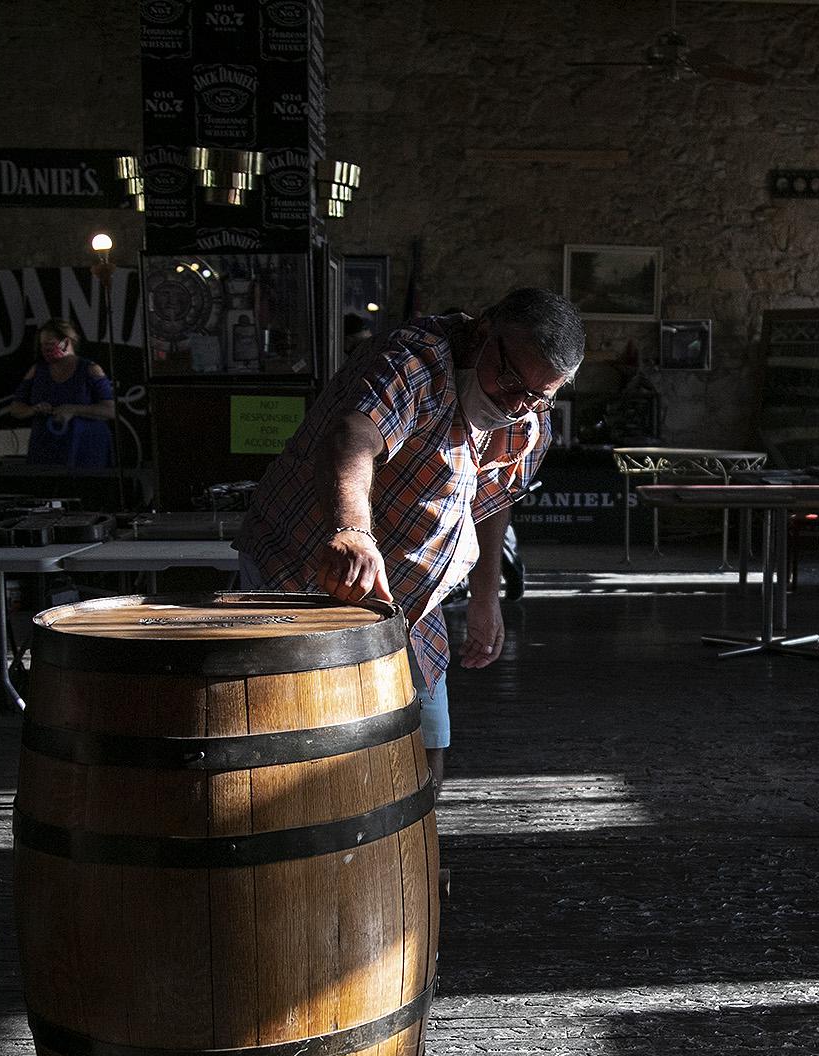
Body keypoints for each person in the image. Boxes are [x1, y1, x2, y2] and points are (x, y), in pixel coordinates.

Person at [236, 287, 583, 789]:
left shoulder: (528, 414)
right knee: (296, 749)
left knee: (423, 759)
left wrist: (487, 597)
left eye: (538, 396)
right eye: (510, 381)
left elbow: (494, 501)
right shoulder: (415, 360)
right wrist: (352, 531)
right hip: (300, 573)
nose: (516, 405)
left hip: (412, 604)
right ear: (485, 329)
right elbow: (353, 437)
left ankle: (407, 864)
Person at [7, 317, 116, 468]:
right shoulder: (37, 370)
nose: (45, 350)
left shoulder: (90, 369)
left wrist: (74, 410)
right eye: (43, 345)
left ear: (66, 342)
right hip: (46, 451)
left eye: (50, 345)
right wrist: (34, 409)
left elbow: (111, 410)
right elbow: (15, 408)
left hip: (85, 451)